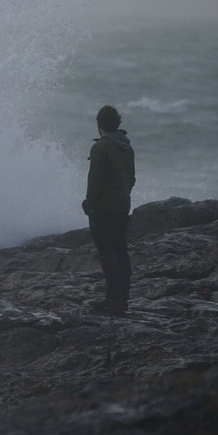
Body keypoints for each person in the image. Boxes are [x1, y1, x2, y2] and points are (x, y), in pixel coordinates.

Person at [83, 105, 136, 314]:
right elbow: (131, 178)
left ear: (99, 125)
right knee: (121, 251)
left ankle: (113, 299)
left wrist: (90, 205)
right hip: (122, 206)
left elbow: (94, 181)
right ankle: (122, 298)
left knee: (107, 254)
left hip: (103, 209)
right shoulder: (127, 146)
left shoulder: (101, 148)